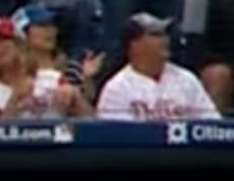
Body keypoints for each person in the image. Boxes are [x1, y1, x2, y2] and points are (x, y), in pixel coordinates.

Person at [92, 11, 220, 120]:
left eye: (165, 34)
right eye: (156, 35)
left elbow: (212, 126)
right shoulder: (117, 89)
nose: (165, 39)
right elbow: (115, 139)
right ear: (134, 45)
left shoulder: (187, 80)